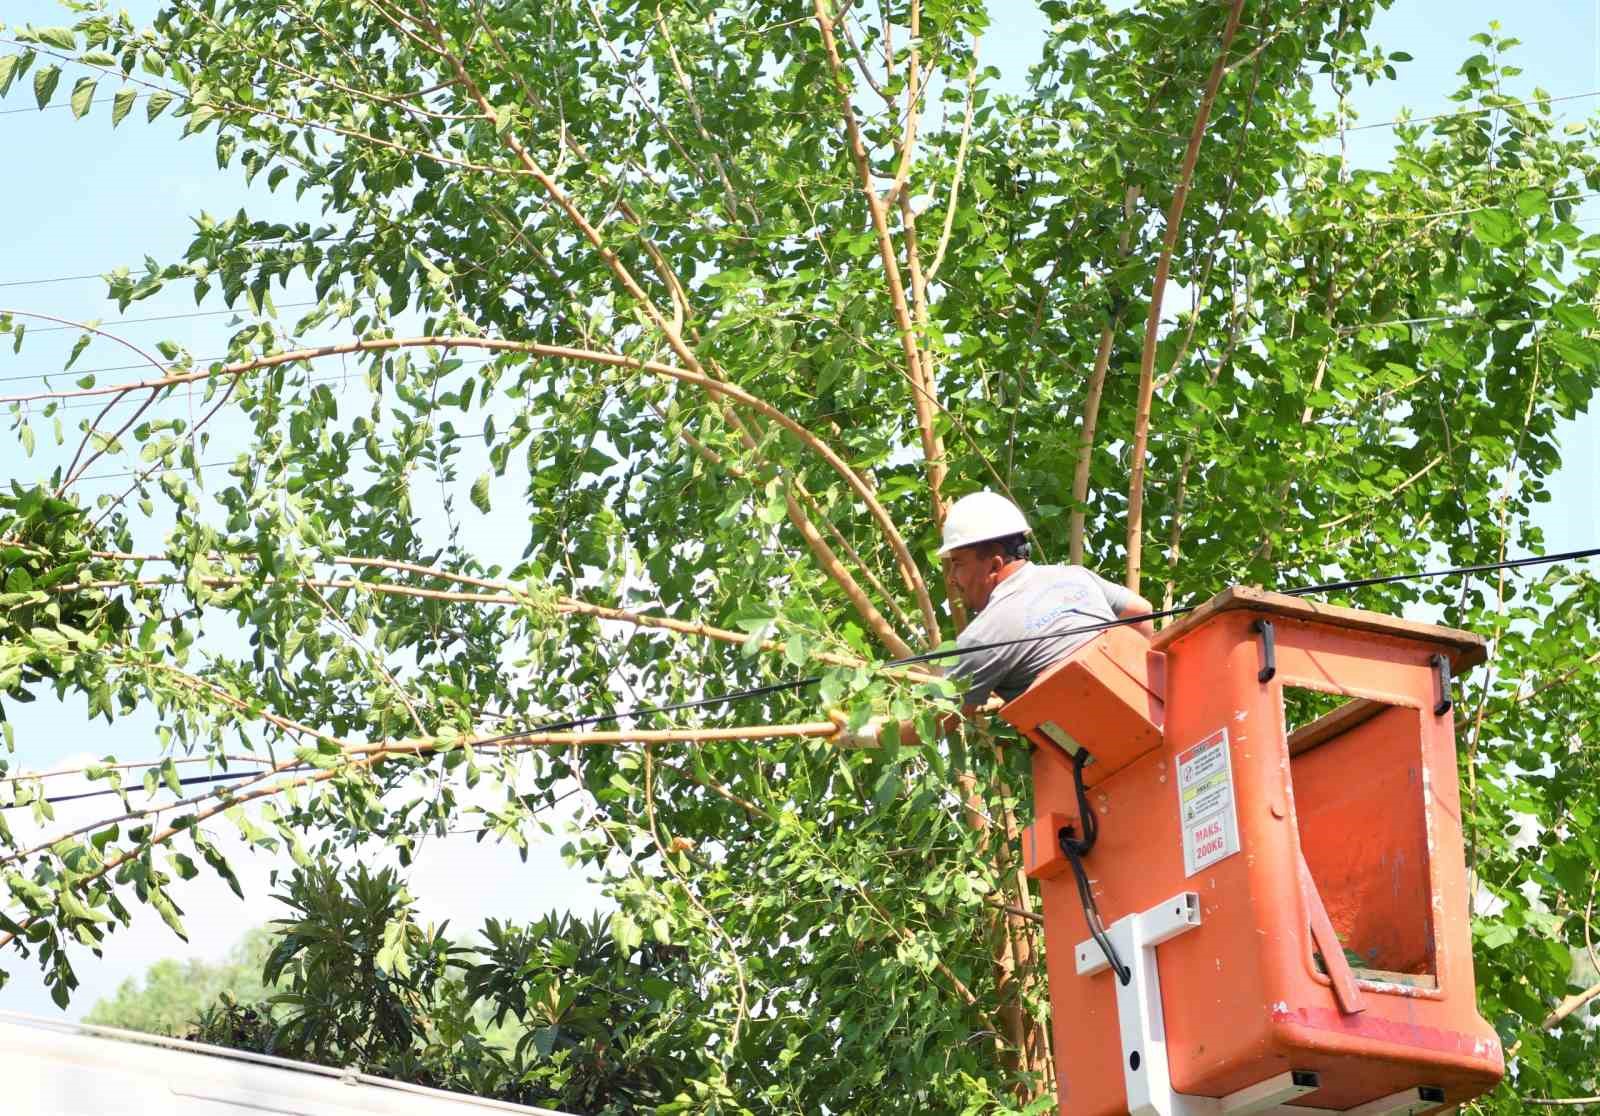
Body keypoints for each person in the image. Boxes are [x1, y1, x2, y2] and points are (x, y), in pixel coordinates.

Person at [940, 490, 1155, 712]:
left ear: (995, 565)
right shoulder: (1074, 575)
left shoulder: (981, 637)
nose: (951, 577)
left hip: (1101, 741)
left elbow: (941, 717)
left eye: (958, 564)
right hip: (1156, 715)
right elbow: (1141, 613)